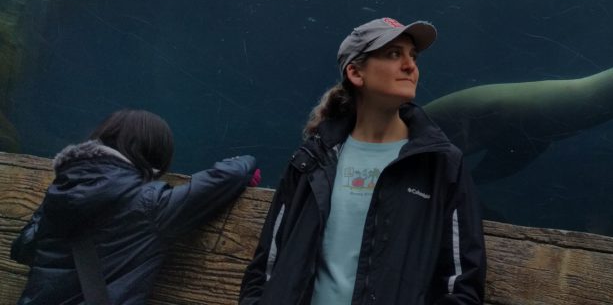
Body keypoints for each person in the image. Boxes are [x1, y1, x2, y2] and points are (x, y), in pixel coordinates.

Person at [239, 17, 486, 305]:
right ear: (356, 73)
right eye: (394, 54)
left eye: (413, 56)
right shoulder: (312, 159)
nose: (410, 66)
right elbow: (266, 266)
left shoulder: (441, 164)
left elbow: (462, 286)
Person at [11, 108, 259, 305]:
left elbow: (22, 249)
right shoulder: (149, 205)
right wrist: (245, 165)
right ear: (155, 155)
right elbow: (230, 176)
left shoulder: (62, 188)